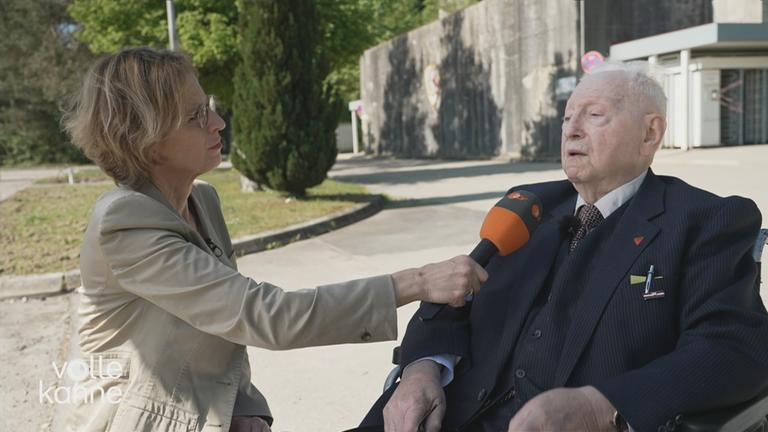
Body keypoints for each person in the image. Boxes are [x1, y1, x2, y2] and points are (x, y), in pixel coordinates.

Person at [60, 47, 488, 432]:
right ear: (147, 140)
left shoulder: (201, 200)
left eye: (207, 106)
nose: (218, 122)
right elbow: (263, 314)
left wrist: (243, 408)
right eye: (195, 116)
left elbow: (224, 325)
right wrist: (416, 282)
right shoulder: (126, 222)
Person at [360, 63, 768, 432]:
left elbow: (734, 349)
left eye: (594, 115)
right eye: (568, 117)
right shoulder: (526, 205)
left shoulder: (705, 220)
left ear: (650, 133)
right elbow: (451, 301)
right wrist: (421, 370)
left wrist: (602, 405)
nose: (572, 129)